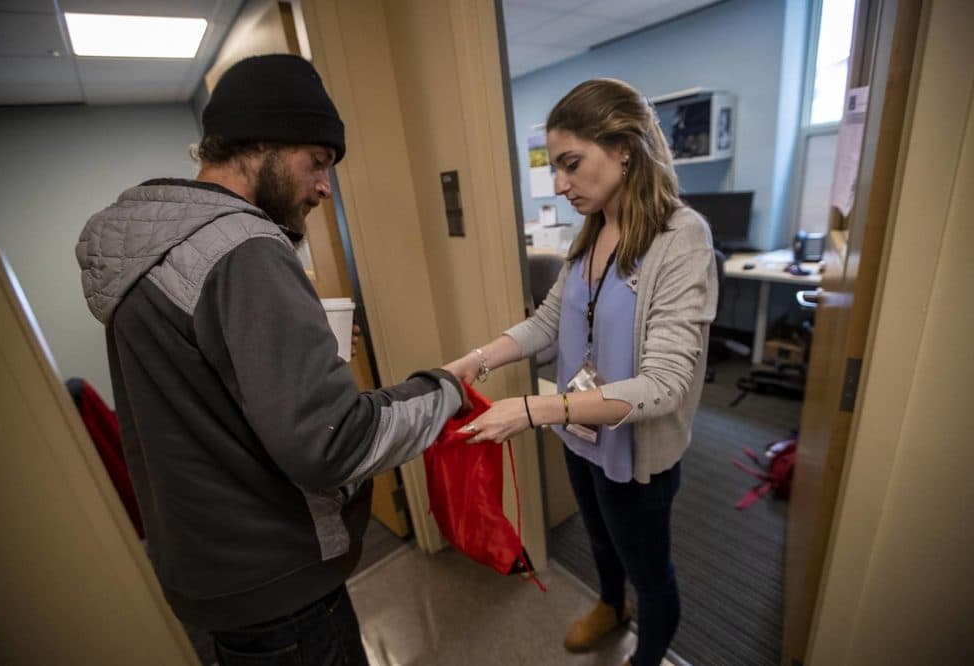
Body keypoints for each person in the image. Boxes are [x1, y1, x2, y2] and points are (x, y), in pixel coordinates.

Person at [76, 54, 466, 666]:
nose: (323, 186)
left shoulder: (149, 252)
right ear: (260, 145)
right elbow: (331, 443)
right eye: (318, 162)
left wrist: (304, 360)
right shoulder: (246, 246)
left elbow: (208, 392)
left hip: (213, 576)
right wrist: (444, 389)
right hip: (281, 592)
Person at [444, 78, 718, 666]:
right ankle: (609, 604)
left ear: (623, 147)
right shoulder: (590, 231)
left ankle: (646, 650)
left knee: (650, 567)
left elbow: (665, 384)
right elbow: (548, 324)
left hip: (634, 453)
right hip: (582, 433)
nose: (560, 184)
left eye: (571, 164)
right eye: (556, 168)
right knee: (600, 539)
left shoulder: (682, 239)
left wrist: (533, 409)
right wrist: (471, 363)